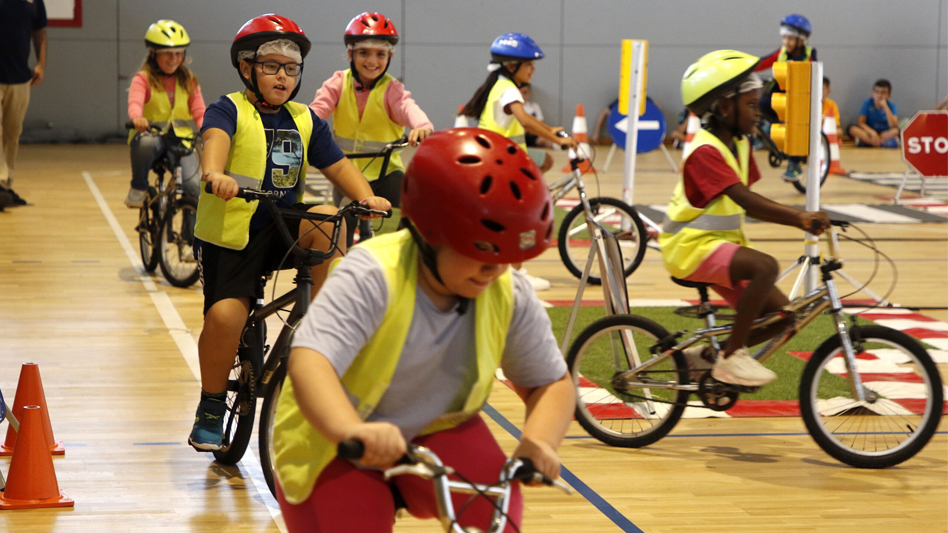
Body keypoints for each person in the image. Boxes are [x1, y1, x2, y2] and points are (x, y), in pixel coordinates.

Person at [270, 128, 575, 533]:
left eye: (506, 257)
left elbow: (550, 383)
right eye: (480, 251)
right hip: (334, 440)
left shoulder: (507, 290)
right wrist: (351, 430)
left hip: (438, 426)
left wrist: (537, 444)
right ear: (431, 233)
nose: (496, 270)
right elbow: (310, 362)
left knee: (494, 516)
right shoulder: (372, 273)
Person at [189, 14, 390, 451]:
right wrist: (215, 175)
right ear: (247, 69)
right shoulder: (228, 109)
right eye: (271, 66)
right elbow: (214, 143)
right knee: (226, 316)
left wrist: (367, 197)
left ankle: (324, 327)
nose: (283, 76)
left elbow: (337, 165)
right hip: (232, 234)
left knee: (322, 213)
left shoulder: (304, 119)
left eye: (291, 68)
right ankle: (209, 404)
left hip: (281, 226)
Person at [659, 50, 830, 386]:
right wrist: (799, 217)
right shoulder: (704, 150)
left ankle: (709, 357)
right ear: (724, 107)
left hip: (718, 246)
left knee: (784, 317)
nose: (758, 113)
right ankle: (730, 356)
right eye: (751, 105)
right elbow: (743, 198)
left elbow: (750, 204)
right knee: (765, 266)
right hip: (689, 248)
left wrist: (801, 217)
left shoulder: (737, 144)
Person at [459, 32, 577, 292]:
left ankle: (510, 268)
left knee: (543, 161)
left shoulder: (499, 84)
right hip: (499, 163)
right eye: (529, 65)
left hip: (501, 159)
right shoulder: (508, 90)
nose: (533, 70)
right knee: (522, 217)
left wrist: (550, 134)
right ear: (512, 66)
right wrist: (556, 138)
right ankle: (518, 273)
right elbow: (524, 120)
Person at [310, 12, 433, 246]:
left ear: (389, 57)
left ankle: (395, 261)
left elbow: (407, 107)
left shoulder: (392, 89)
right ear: (350, 54)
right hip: (347, 173)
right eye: (363, 52)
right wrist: (307, 127)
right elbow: (318, 110)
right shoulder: (338, 83)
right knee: (340, 236)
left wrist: (422, 125)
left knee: (399, 224)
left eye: (380, 54)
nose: (372, 61)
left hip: (387, 172)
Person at [124, 20, 205, 208]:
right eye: (168, 53)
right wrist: (137, 117)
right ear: (153, 54)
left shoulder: (189, 81)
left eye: (179, 53)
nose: (174, 59)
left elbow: (200, 112)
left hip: (180, 140)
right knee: (145, 143)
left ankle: (190, 235)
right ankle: (139, 187)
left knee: (193, 186)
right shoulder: (143, 79)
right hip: (151, 134)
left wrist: (209, 130)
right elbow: (135, 102)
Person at [755, 14, 817, 181]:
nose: (786, 42)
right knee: (761, 103)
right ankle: (762, 134)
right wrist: (748, 67)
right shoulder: (782, 52)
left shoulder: (809, 55)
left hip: (798, 98)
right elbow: (764, 62)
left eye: (790, 39)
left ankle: (794, 165)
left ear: (801, 40)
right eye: (784, 37)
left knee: (794, 128)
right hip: (779, 94)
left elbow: (815, 77)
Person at [0, 0, 47, 207]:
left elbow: (40, 30)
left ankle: (6, 187)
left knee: (12, 134)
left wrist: (41, 64)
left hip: (19, 76)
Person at [847, 79, 899, 148]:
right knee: (852, 129)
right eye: (877, 92)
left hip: (884, 133)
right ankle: (882, 143)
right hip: (870, 133)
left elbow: (894, 126)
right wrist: (872, 132)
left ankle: (867, 143)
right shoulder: (868, 103)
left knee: (896, 131)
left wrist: (885, 107)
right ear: (872, 93)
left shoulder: (891, 106)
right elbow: (861, 123)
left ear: (889, 95)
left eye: (883, 93)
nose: (879, 95)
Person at [520, 83, 553, 148]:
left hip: (533, 134)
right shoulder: (515, 107)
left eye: (525, 92)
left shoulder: (534, 106)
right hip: (520, 135)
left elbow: (540, 123)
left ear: (529, 93)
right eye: (520, 92)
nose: (522, 95)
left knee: (546, 140)